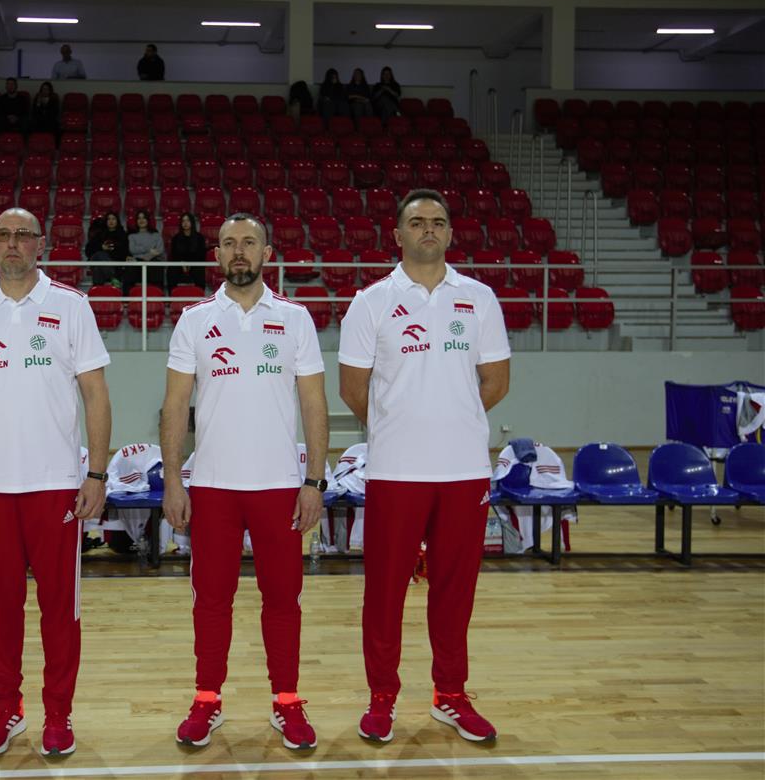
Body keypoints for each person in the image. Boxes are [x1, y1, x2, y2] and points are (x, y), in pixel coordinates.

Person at [337, 189, 510, 746]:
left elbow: (496, 381)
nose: (428, 230)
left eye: (438, 221)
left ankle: (450, 694)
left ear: (451, 233)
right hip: (396, 471)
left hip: (464, 471)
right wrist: (402, 424)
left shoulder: (479, 298)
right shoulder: (371, 302)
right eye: (417, 223)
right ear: (398, 234)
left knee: (455, 591)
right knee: (385, 592)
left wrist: (450, 418)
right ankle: (382, 697)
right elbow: (352, 389)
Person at [0, 207, 112, 758]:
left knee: (60, 610)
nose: (12, 243)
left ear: (41, 244)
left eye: (23, 235)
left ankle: (58, 713)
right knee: (0, 609)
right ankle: (6, 709)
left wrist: (97, 472)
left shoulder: (71, 305)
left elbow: (96, 395)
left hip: (55, 485)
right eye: (3, 236)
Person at [160, 213, 329, 751]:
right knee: (211, 600)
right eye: (229, 243)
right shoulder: (194, 321)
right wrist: (173, 480)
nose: (239, 251)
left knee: (284, 600)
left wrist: (315, 480)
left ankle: (287, 701)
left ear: (267, 253)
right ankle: (206, 699)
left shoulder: (296, 319)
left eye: (249, 243)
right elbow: (175, 406)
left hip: (280, 487)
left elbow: (314, 404)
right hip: (213, 488)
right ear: (216, 255)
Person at [85, 213, 129, 289]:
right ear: (106, 221)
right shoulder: (99, 234)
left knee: (98, 269)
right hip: (98, 259)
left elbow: (124, 253)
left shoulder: (123, 235)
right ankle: (113, 278)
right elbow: (88, 250)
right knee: (100, 254)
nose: (111, 221)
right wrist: (102, 247)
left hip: (114, 264)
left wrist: (113, 250)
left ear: (117, 221)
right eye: (109, 219)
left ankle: (97, 292)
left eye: (113, 219)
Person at [166, 212, 206, 292]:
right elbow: (174, 255)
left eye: (188, 220)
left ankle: (201, 294)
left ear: (192, 222)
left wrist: (191, 264)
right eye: (183, 221)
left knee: (200, 270)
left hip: (195, 264)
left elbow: (201, 254)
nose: (185, 223)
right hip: (180, 264)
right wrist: (181, 263)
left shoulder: (199, 238)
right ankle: (171, 295)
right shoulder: (176, 238)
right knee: (172, 270)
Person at [127, 210, 164, 289]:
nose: (141, 220)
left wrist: (147, 256)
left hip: (153, 260)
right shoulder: (132, 236)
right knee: (131, 266)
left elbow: (160, 250)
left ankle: (157, 293)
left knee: (156, 265)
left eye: (143, 218)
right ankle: (129, 294)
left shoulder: (156, 235)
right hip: (137, 262)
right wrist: (150, 249)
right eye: (139, 218)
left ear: (147, 220)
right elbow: (133, 250)